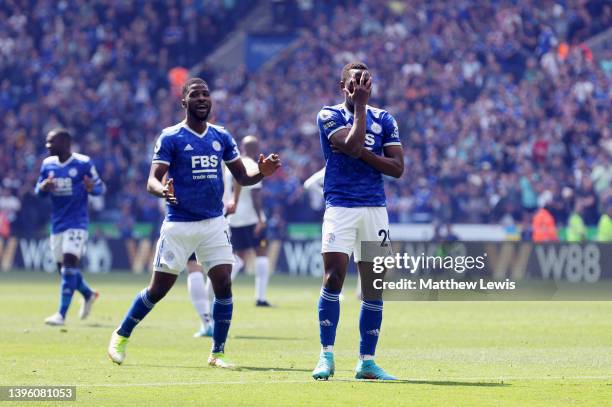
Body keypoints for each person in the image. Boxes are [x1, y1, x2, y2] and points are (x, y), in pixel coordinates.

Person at [107, 78, 281, 368]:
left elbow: (242, 177)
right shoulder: (171, 136)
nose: (202, 98)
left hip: (213, 223)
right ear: (184, 102)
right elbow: (152, 179)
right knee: (158, 290)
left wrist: (262, 173)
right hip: (179, 224)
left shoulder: (222, 136)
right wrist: (162, 190)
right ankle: (121, 334)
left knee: (224, 284)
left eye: (206, 94)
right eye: (195, 94)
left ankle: (218, 353)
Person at [312, 62, 404, 381]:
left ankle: (367, 362)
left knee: (374, 287)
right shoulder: (329, 115)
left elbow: (397, 168)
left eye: (365, 81)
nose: (360, 86)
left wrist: (364, 155)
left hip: (375, 208)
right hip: (341, 205)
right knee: (334, 277)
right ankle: (326, 355)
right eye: (354, 82)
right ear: (343, 86)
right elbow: (350, 144)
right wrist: (361, 109)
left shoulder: (385, 118)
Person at [35, 128, 106, 326]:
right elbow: (37, 190)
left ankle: (61, 315)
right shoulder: (47, 164)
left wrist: (92, 188)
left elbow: (101, 187)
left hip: (77, 222)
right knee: (64, 268)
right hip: (57, 223)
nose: (47, 146)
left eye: (51, 143)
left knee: (68, 264)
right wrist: (43, 187)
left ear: (65, 144)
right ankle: (88, 293)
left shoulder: (83, 163)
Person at [226, 135, 272, 306]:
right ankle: (261, 297)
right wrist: (260, 218)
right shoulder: (253, 165)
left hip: (234, 217)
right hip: (251, 218)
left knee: (238, 256)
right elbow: (255, 195)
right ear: (255, 148)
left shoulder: (230, 166)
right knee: (261, 253)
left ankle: (219, 288)